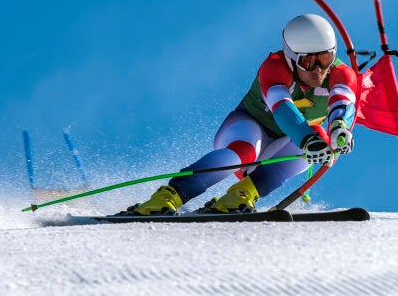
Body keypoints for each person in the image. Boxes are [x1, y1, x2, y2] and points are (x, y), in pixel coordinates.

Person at [121, 14, 357, 215]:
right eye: (308, 61)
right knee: (245, 152)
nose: (318, 70)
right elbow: (282, 109)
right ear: (292, 57)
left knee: (323, 140)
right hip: (247, 128)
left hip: (283, 145)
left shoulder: (341, 73)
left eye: (324, 59)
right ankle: (169, 195)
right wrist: (307, 140)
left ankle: (241, 195)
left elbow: (343, 102)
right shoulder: (274, 67)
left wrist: (339, 128)